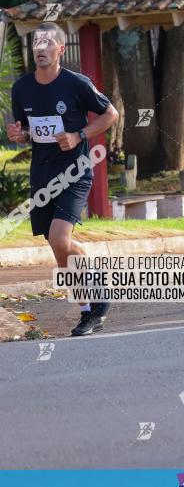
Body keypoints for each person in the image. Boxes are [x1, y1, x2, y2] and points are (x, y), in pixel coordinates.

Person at [8, 22, 119, 334]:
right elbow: (27, 131)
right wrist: (19, 135)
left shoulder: (76, 84)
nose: (41, 49)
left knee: (59, 239)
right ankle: (93, 289)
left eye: (47, 43)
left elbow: (111, 115)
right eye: (36, 44)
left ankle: (89, 314)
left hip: (74, 171)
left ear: (60, 49)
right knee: (59, 245)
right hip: (42, 174)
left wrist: (78, 134)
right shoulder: (22, 88)